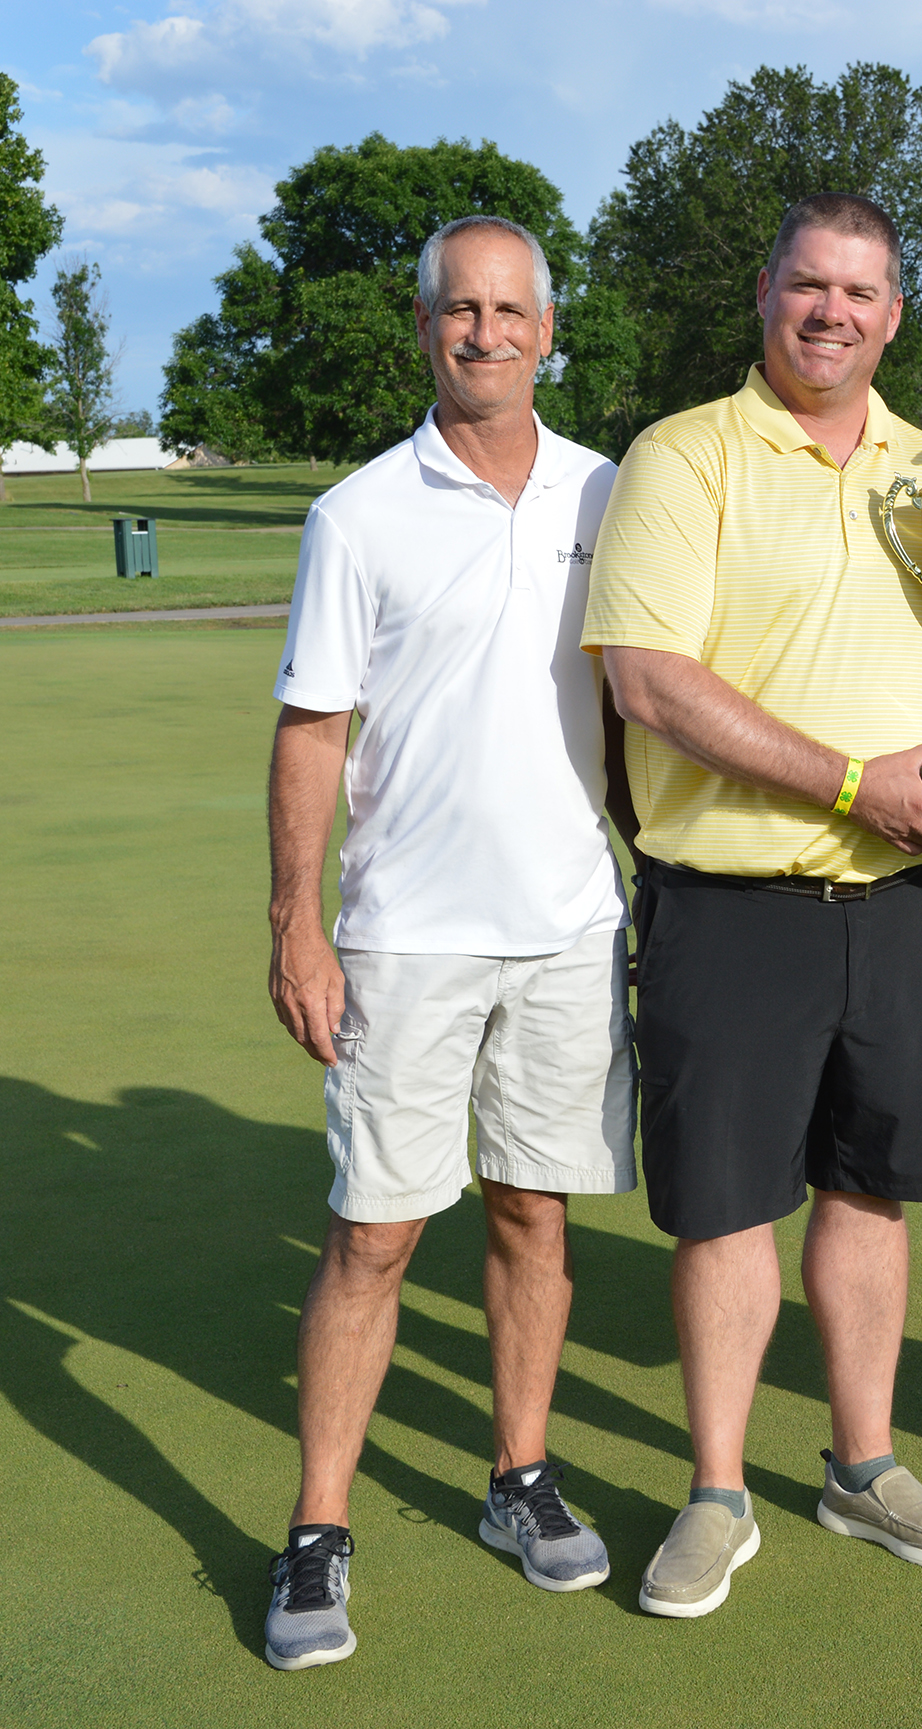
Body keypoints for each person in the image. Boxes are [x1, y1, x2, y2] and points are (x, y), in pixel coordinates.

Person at [582, 192, 922, 1619]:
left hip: (897, 903)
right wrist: (848, 783)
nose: (833, 311)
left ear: (894, 312)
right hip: (732, 900)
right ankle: (715, 1489)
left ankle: (862, 1465)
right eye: (808, 285)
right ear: (765, 294)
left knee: (871, 1193)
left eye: (861, 291)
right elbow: (648, 676)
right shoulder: (683, 455)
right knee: (727, 1209)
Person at [259, 215, 636, 1670]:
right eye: (456, 309)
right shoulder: (357, 512)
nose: (484, 331)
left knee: (536, 1213)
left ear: (549, 327)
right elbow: (312, 728)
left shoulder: (613, 494)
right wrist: (297, 922)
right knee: (371, 1233)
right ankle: (317, 1531)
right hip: (405, 935)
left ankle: (519, 1478)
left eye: (508, 308)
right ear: (422, 329)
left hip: (565, 929)